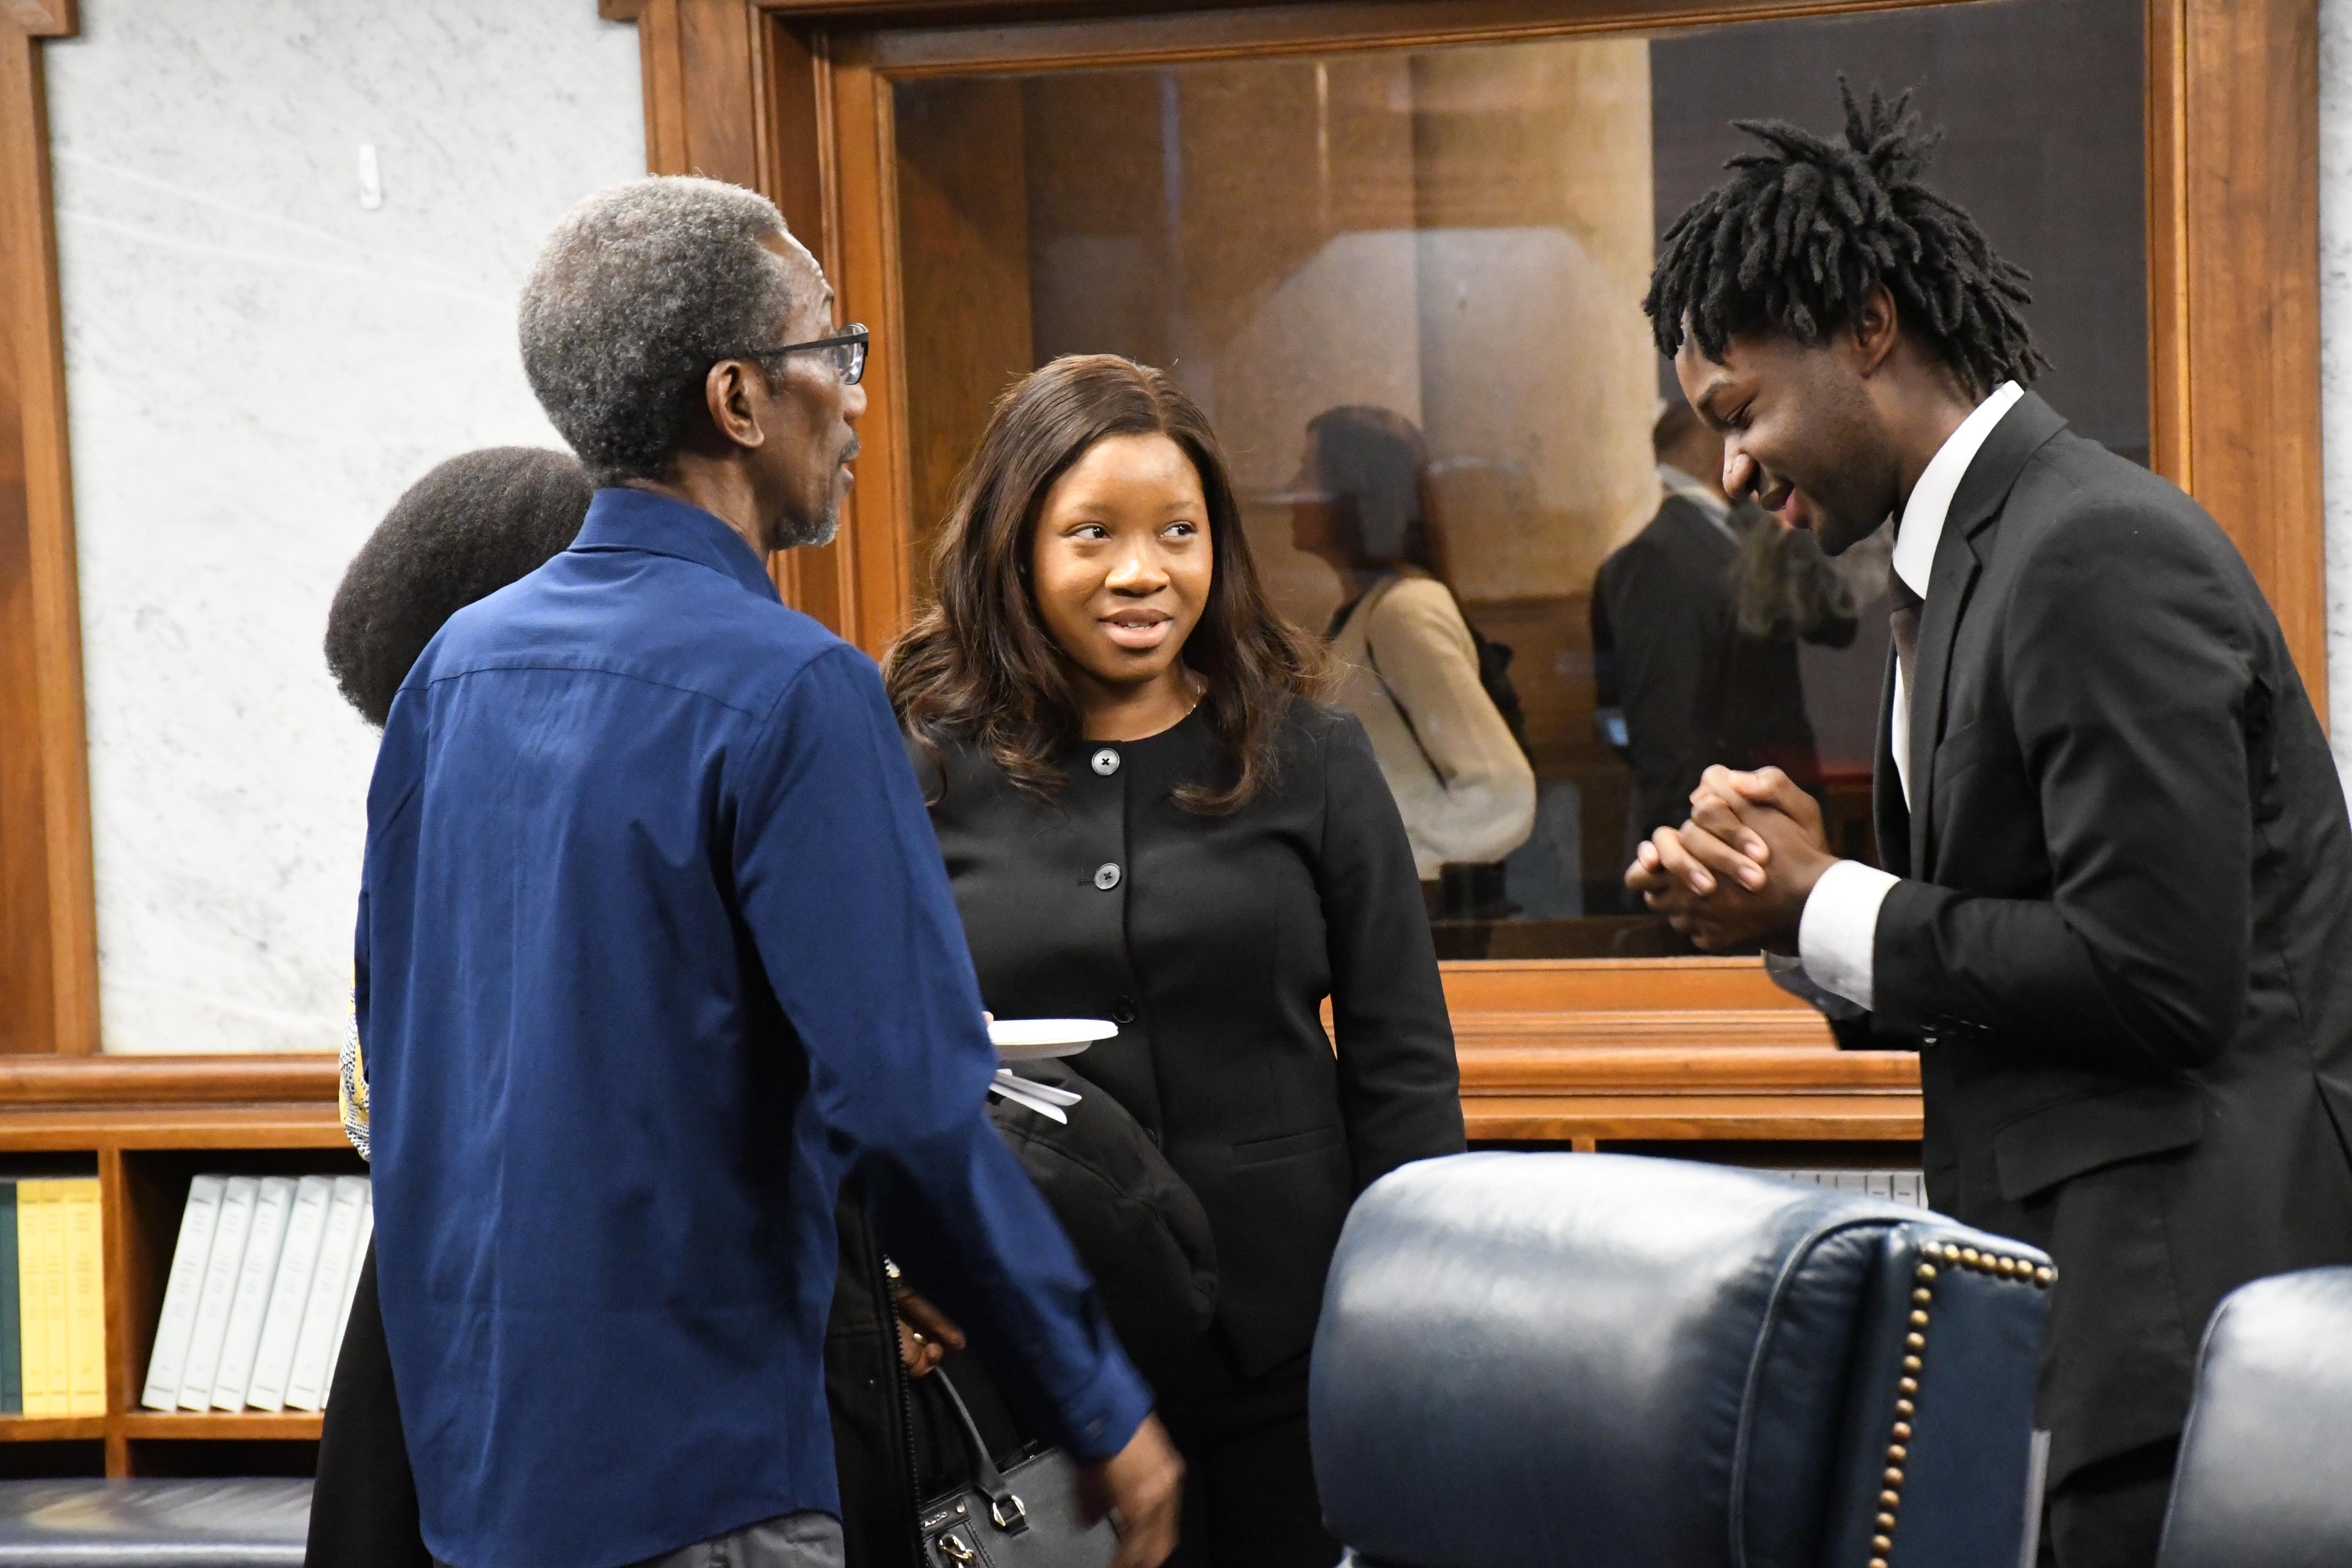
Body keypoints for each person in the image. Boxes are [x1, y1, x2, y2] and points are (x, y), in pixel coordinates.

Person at [357, 178, 1180, 1568]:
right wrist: (1096, 1400)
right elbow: (909, 1105)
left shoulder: (454, 672)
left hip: (477, 1476)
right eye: (830, 348)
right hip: (703, 1481)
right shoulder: (795, 688)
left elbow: (407, 1058)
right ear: (739, 400)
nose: (853, 397)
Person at [1630, 86, 2352, 1568]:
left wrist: (1823, 900)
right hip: (2090, 1322)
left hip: (2194, 1330)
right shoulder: (1962, 566)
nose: (1732, 473)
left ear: (1867, 327)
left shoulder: (2088, 548)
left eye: (1740, 413)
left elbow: (2155, 977)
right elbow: (2009, 950)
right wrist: (1790, 902)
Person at [886, 357, 1465, 1568]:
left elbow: (1403, 1066)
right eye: (1092, 533)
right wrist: (895, 1259)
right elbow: (868, 1052)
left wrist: (1418, 1311)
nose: (1143, 571)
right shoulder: (922, 765)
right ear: (1016, 547)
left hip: (1292, 1349)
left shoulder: (1314, 754)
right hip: (1031, 1358)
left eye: (1179, 532)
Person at [312, 446, 593, 1568]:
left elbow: (366, 1106)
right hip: (553, 1326)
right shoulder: (546, 824)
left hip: (424, 1311)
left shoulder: (421, 809)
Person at [1592, 400, 1856, 882]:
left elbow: (1836, 623)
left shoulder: (1748, 535)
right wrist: (1682, 849)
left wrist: (1787, 527)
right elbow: (1663, 724)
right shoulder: (1656, 559)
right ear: (1729, 454)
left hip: (1772, 812)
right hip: (1715, 840)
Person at [1290, 405, 1535, 912]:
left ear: (1354, 491)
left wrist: (1400, 863)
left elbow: (1500, 790)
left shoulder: (1404, 611)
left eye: (1309, 473)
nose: (1292, 491)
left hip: (1408, 912)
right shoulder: (1363, 612)